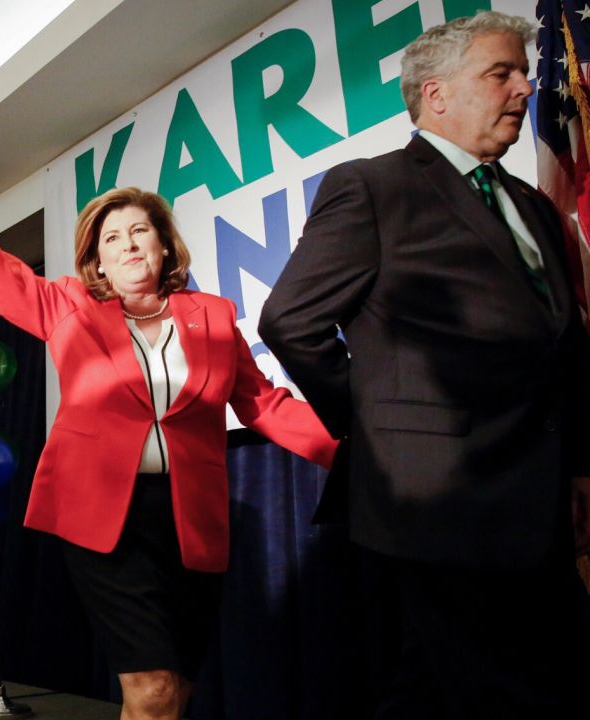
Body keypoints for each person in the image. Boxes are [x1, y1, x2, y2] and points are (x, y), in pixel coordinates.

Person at [0, 116, 336, 720]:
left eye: (141, 231)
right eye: (112, 238)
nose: (130, 244)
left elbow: (263, 404)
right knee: (153, 689)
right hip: (104, 520)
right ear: (97, 260)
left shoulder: (213, 316)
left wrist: (348, 447)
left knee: (177, 690)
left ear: (164, 245)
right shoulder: (68, 307)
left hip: (192, 521)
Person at [257, 11, 590, 719]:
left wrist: (579, 468)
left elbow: (560, 347)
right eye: (500, 73)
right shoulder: (372, 187)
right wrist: (379, 429)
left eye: (524, 74)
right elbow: (291, 322)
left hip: (539, 503)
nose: (525, 89)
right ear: (435, 95)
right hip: (433, 506)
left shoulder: (532, 204)